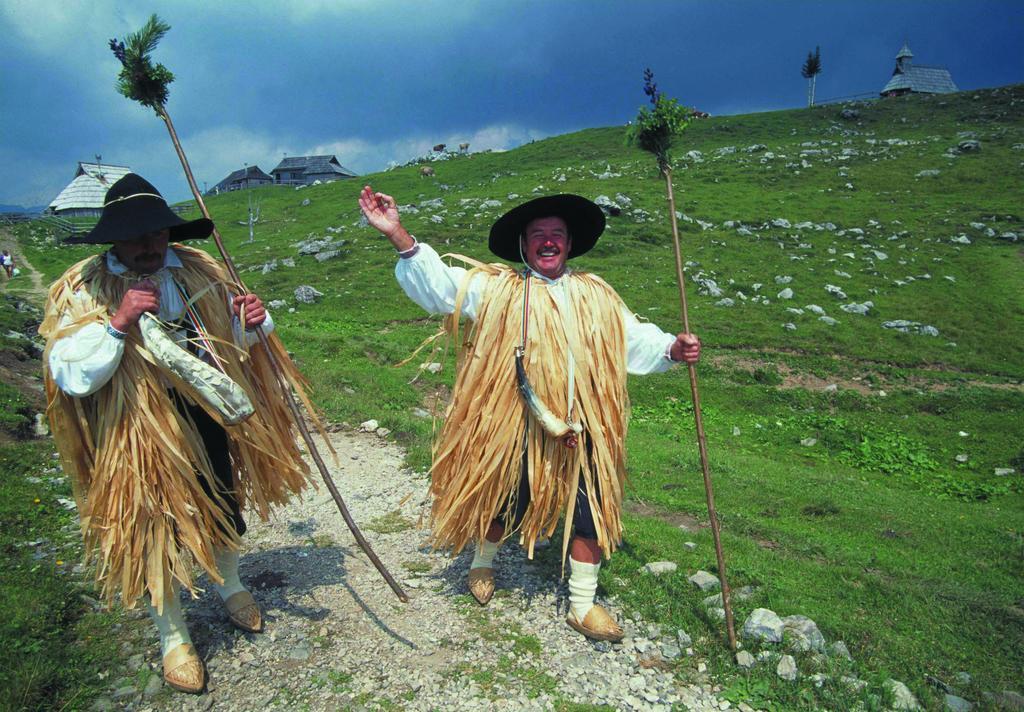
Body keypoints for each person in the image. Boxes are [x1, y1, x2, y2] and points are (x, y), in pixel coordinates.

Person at [359, 186, 700, 642]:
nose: (547, 241)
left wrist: (672, 349)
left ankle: (581, 605)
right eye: (537, 234)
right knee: (507, 497)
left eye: (556, 233)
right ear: (523, 243)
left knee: (589, 507)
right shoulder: (500, 289)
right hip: (519, 422)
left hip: (585, 424)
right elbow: (443, 287)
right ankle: (483, 562)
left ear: (570, 243)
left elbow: (633, 338)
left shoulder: (596, 294)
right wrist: (397, 233)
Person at [40, 174, 316, 693]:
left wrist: (253, 321)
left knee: (221, 498)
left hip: (204, 411)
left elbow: (231, 339)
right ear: (113, 241)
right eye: (137, 236)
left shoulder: (194, 270)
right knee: (154, 523)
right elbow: (70, 375)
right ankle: (172, 634)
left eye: (158, 234)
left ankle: (231, 586)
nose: (149, 245)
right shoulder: (83, 289)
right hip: (135, 428)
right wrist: (118, 323)